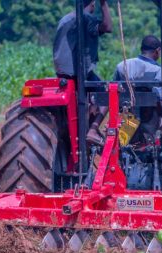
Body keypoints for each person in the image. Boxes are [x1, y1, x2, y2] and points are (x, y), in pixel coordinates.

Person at [53, 0, 112, 146]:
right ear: (92, 4)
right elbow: (108, 27)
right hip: (79, 73)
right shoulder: (86, 18)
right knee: (108, 94)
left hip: (62, 73)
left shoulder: (65, 18)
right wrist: (104, 4)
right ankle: (92, 129)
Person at [113, 35, 162, 141]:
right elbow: (159, 98)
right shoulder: (158, 70)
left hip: (127, 115)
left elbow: (115, 90)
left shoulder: (122, 65)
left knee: (125, 142)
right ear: (157, 51)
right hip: (148, 118)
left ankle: (124, 145)